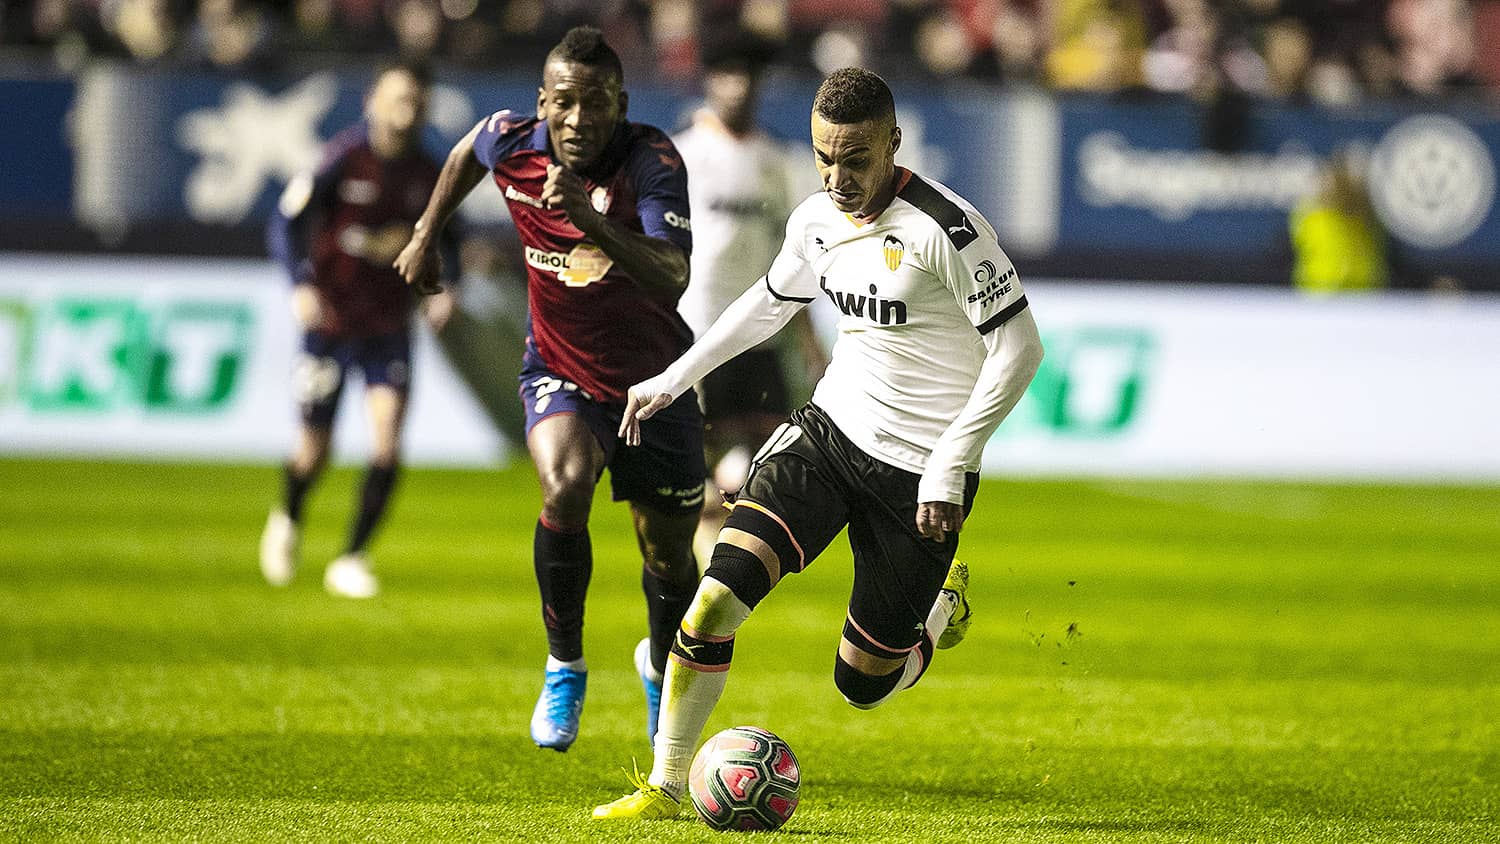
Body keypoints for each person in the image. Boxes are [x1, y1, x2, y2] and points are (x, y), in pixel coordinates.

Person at [592, 67, 1045, 820]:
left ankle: (941, 609)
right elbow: (770, 303)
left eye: (856, 159)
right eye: (823, 157)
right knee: (712, 604)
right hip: (829, 435)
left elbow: (1020, 350)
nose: (836, 176)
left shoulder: (947, 229)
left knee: (863, 685)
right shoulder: (814, 220)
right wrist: (672, 378)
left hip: (922, 472)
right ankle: (666, 786)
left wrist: (949, 462)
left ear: (893, 144)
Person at [393, 26, 704, 752]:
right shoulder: (514, 140)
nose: (576, 119)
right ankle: (565, 665)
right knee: (564, 484)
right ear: (542, 101)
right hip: (561, 370)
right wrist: (424, 233)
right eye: (563, 103)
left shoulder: (652, 159)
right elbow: (471, 148)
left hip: (656, 384)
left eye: (594, 103)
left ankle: (660, 672)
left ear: (619, 104)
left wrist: (589, 218)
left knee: (666, 554)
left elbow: (672, 272)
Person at [260, 59, 458, 599]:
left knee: (388, 441)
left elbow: (451, 238)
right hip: (330, 322)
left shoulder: (430, 172)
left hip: (389, 325)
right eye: (398, 97)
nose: (407, 110)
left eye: (416, 100)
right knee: (313, 450)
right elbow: (286, 222)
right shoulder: (342, 160)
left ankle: (351, 556)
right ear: (372, 100)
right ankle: (289, 515)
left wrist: (447, 289)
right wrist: (301, 282)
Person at [672, 39, 827, 568]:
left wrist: (809, 341)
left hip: (760, 336)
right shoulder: (683, 154)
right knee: (701, 478)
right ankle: (705, 585)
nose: (738, 86)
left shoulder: (777, 163)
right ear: (710, 82)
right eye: (727, 74)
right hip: (695, 336)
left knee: (759, 474)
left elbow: (794, 261)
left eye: (747, 76)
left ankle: (717, 578)